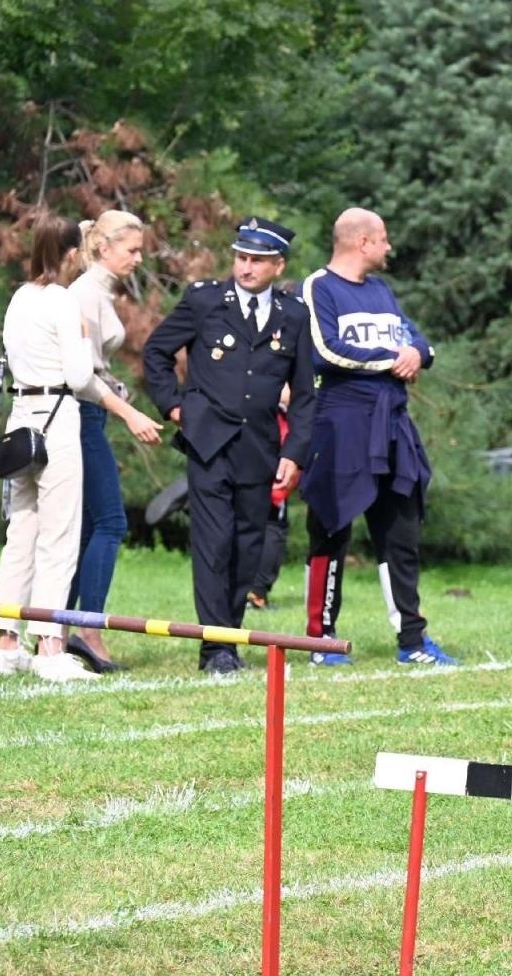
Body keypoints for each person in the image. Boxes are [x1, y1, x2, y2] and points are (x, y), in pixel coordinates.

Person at [142, 217, 316, 673]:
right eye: (241, 257)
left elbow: (304, 394)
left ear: (278, 266)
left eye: (257, 260)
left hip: (260, 447)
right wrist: (174, 407)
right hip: (209, 441)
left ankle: (230, 635)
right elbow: (157, 352)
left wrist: (295, 452)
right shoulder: (204, 301)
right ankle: (216, 647)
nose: (246, 267)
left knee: (247, 545)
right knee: (214, 544)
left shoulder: (293, 315)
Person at [297, 207, 455, 667]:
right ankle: (320, 639)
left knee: (400, 532)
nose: (389, 248)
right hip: (341, 424)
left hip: (392, 426)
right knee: (330, 528)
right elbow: (326, 350)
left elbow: (422, 345)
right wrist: (392, 358)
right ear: (362, 242)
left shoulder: (383, 291)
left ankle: (412, 639)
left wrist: (412, 354)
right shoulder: (318, 287)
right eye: (383, 239)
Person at [0, 216, 99, 681]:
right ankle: (50, 648)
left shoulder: (19, 297)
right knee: (59, 534)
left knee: (22, 532)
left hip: (21, 416)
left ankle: (6, 645)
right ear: (71, 254)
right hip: (57, 415)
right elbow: (79, 377)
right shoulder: (64, 300)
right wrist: (86, 342)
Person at [62, 210, 166, 672]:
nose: (139, 259)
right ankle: (87, 631)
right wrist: (128, 412)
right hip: (82, 416)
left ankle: (58, 630)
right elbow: (80, 378)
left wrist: (116, 389)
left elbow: (94, 368)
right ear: (103, 248)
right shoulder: (84, 293)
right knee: (110, 522)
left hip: (92, 413)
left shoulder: (98, 292)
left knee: (85, 528)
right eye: (132, 250)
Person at [246, 385, 295, 611]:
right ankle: (256, 593)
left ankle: (247, 590)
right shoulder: (277, 414)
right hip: (270, 482)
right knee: (273, 530)